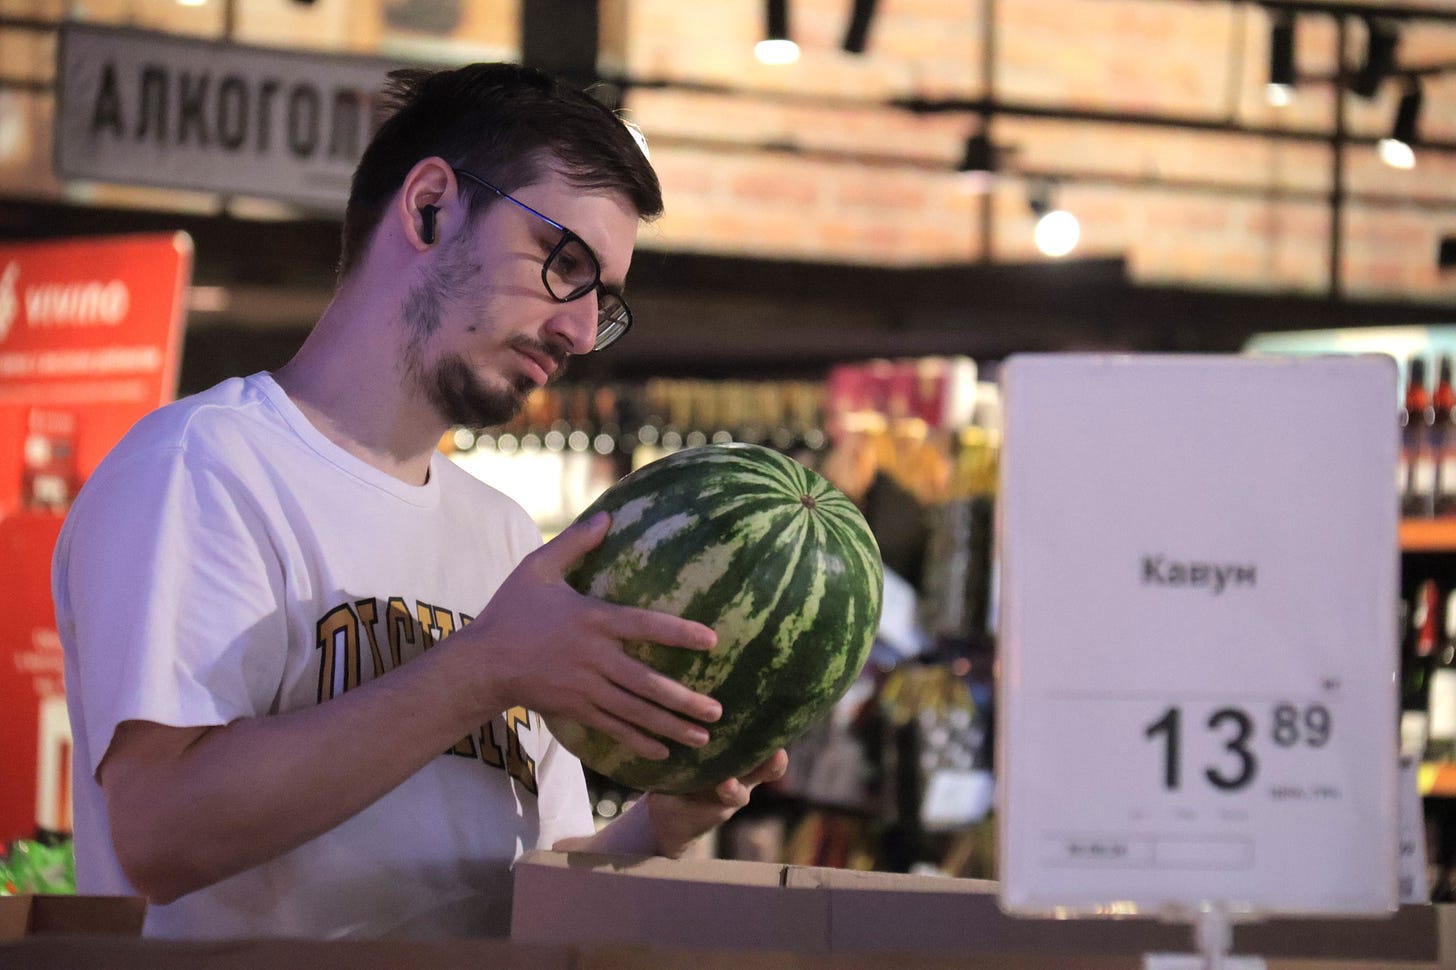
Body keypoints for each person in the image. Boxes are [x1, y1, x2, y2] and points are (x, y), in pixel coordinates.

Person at [51, 62, 787, 940]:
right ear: (431, 206)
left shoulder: (506, 532)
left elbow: (532, 882)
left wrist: (658, 827)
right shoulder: (204, 467)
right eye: (566, 264)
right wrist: (483, 667)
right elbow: (160, 833)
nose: (582, 329)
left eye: (605, 301)